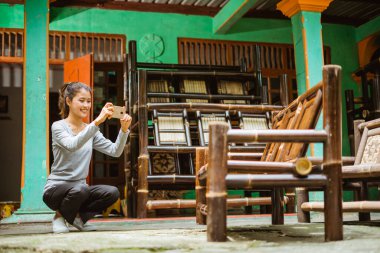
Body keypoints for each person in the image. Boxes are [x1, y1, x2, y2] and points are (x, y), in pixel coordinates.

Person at [42, 82, 131, 233]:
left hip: (79, 191)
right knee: (81, 189)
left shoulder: (91, 131)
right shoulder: (58, 126)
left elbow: (115, 151)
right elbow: (72, 144)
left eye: (89, 101)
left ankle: (78, 218)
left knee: (112, 192)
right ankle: (59, 216)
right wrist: (97, 122)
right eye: (81, 100)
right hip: (55, 190)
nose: (86, 105)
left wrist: (123, 130)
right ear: (69, 101)